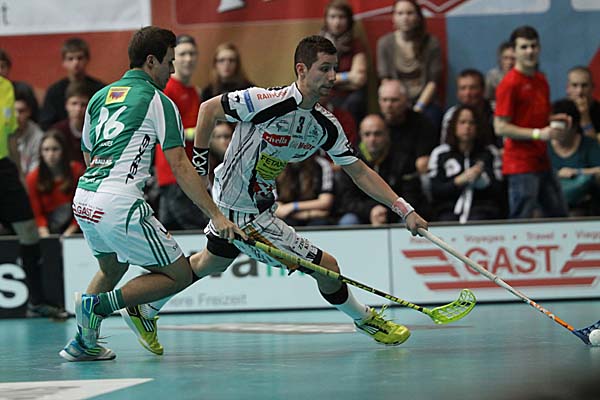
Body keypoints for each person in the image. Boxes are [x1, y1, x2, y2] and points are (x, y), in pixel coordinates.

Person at [136, 35, 429, 353]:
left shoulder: (324, 125)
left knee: (210, 263)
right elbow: (208, 110)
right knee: (327, 267)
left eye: (335, 69)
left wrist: (404, 209)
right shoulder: (264, 100)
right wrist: (200, 163)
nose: (332, 77)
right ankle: (366, 319)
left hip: (259, 204)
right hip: (240, 210)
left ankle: (145, 306)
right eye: (324, 69)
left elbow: (359, 171)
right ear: (301, 70)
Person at [59, 26, 242, 362]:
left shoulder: (99, 97)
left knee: (112, 267)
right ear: (151, 61)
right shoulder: (159, 101)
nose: (172, 70)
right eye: (169, 62)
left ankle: (84, 342)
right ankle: (99, 305)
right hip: (119, 202)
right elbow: (180, 165)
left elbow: (88, 152)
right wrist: (216, 215)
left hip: (85, 197)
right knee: (179, 275)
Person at [0, 75, 66, 318]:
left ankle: (36, 301)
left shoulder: (6, 87)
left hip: (4, 167)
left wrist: (19, 176)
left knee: (29, 231)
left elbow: (10, 137)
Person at [493, 26, 568, 219]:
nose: (530, 51)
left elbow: (536, 118)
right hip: (520, 163)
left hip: (542, 159)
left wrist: (554, 121)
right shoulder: (509, 84)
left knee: (559, 215)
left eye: (533, 46)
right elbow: (500, 127)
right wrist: (538, 134)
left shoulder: (541, 80)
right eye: (524, 47)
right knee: (522, 218)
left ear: (539, 48)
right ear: (514, 51)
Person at [155, 34, 208, 230]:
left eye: (192, 54)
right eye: (183, 54)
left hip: (189, 171)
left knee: (171, 231)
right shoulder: (166, 90)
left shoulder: (195, 92)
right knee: (195, 228)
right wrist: (199, 134)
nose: (188, 59)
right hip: (174, 172)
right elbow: (164, 132)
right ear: (173, 58)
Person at [336, 114, 428, 225]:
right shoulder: (350, 160)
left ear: (387, 134)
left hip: (396, 214)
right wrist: (371, 210)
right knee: (348, 221)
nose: (372, 139)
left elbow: (412, 196)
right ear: (361, 136)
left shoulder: (403, 159)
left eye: (377, 134)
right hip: (362, 214)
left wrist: (387, 212)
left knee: (409, 221)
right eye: (367, 134)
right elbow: (346, 201)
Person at [429, 105, 504, 222]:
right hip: (448, 212)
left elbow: (499, 190)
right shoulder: (440, 154)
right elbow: (435, 190)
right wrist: (458, 181)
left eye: (471, 123)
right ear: (454, 126)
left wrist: (482, 181)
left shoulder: (490, 153)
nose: (467, 127)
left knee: (480, 218)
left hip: (483, 212)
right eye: (462, 122)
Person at [376, 0, 443, 129]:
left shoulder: (431, 43)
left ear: (418, 17)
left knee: (430, 119)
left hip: (424, 101)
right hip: (395, 100)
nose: (405, 18)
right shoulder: (385, 43)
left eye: (410, 13)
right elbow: (385, 79)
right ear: (393, 17)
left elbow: (433, 82)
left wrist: (418, 107)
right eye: (400, 13)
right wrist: (396, 104)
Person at [26, 130, 85, 237]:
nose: (51, 154)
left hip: (76, 228)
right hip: (47, 230)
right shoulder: (32, 178)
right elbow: (37, 214)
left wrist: (70, 232)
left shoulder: (77, 171)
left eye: (55, 149)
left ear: (63, 151)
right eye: (46, 150)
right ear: (41, 153)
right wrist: (46, 236)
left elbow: (83, 207)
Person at [547, 99, 600, 216]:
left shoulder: (589, 144)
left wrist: (577, 172)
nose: (558, 132)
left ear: (574, 126)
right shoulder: (543, 146)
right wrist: (557, 174)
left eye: (563, 125)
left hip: (582, 203)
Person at [318, 0, 367, 123]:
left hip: (349, 98)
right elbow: (317, 78)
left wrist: (330, 80)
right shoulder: (317, 45)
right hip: (324, 96)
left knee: (355, 102)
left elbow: (359, 78)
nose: (337, 22)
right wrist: (348, 77)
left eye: (341, 17)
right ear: (326, 19)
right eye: (333, 17)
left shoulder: (355, 44)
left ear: (349, 20)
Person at [39, 38, 104, 130]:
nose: (76, 62)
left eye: (80, 58)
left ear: (87, 59)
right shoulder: (54, 92)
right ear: (64, 62)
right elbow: (46, 125)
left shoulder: (100, 90)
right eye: (70, 58)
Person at [275, 154, 335, 226]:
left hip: (314, 218)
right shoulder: (276, 164)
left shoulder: (320, 164)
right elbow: (277, 208)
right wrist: (307, 214)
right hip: (292, 217)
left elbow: (325, 202)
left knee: (320, 223)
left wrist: (293, 206)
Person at [441, 69, 496, 147]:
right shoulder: (451, 115)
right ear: (457, 92)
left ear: (483, 90)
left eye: (473, 88)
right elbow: (445, 146)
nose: (467, 93)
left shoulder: (496, 111)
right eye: (463, 88)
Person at [50, 81, 92, 165]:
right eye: (74, 103)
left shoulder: (95, 131)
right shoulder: (57, 131)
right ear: (66, 105)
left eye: (83, 104)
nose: (78, 109)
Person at [564, 66, 600, 143]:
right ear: (567, 88)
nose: (580, 91)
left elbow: (595, 146)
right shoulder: (558, 110)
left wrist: (584, 115)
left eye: (584, 85)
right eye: (574, 85)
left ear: (592, 87)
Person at [14, 85, 44, 176]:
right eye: (13, 110)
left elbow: (34, 173)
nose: (16, 116)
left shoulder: (38, 137)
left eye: (21, 111)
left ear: (29, 112)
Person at [485, 41, 515, 106]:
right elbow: (486, 99)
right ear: (500, 59)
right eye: (505, 58)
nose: (509, 62)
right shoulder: (493, 76)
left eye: (513, 59)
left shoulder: (526, 76)